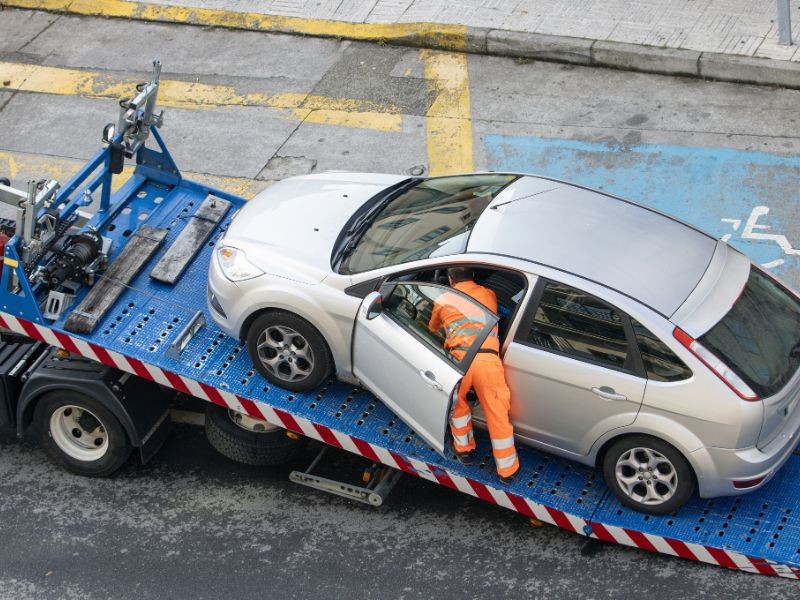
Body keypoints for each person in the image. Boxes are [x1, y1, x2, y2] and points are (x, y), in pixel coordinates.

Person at [428, 267, 520, 483]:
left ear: (450, 280)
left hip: (459, 362)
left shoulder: (443, 299)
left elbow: (432, 328)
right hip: (488, 360)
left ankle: (465, 451)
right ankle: (507, 470)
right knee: (497, 413)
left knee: (457, 406)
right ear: (474, 277)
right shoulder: (489, 294)